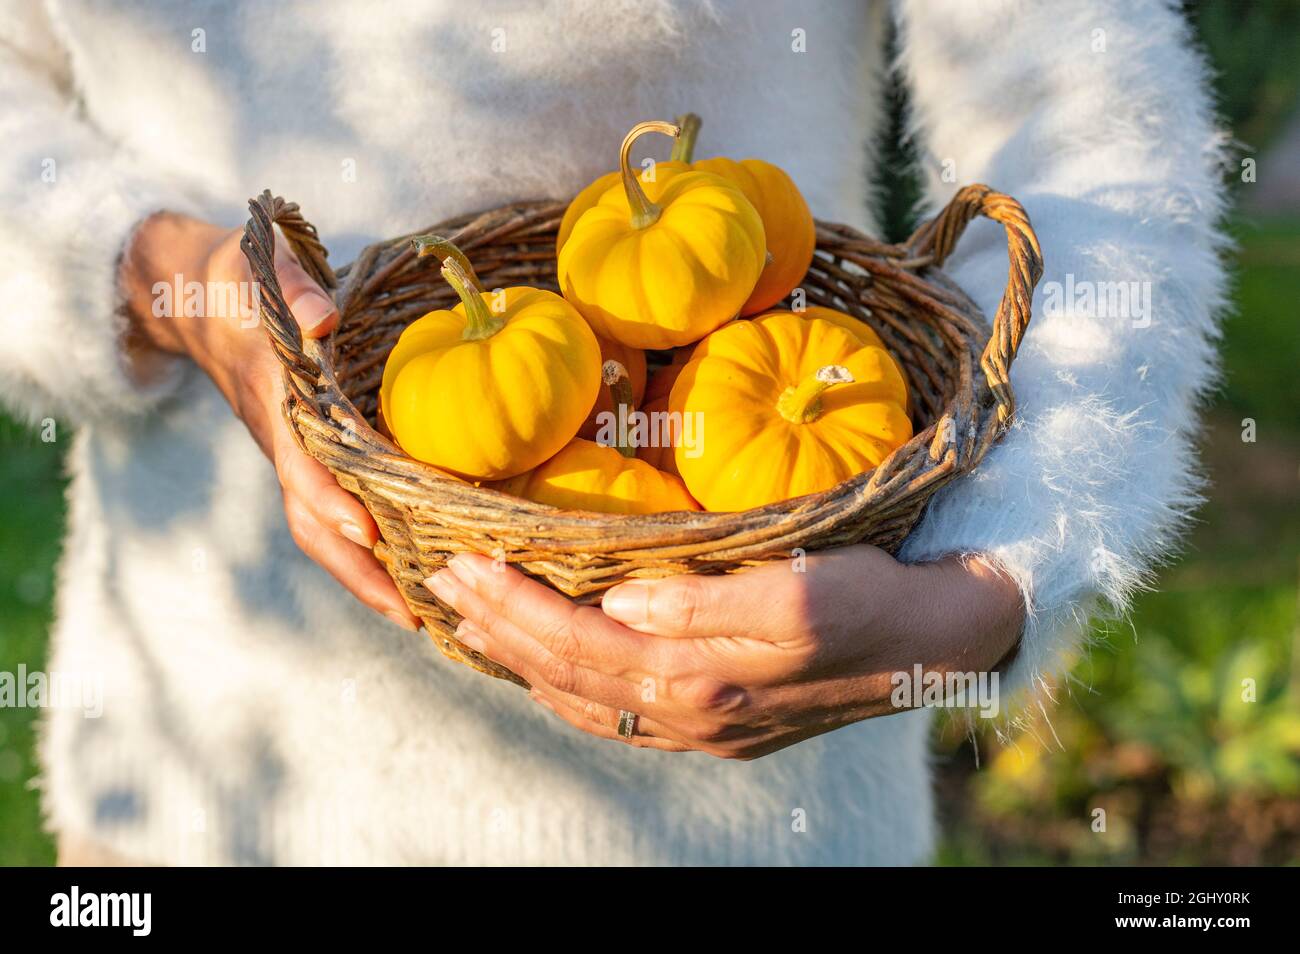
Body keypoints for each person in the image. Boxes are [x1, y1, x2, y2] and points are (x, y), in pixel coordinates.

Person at [0, 0, 1225, 865]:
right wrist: (181, 284)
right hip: (189, 781)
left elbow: (1084, 100)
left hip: (746, 794)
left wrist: (994, 570)